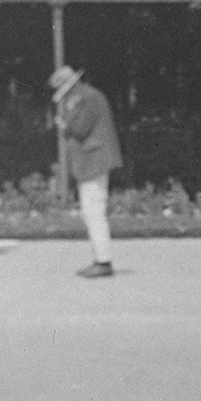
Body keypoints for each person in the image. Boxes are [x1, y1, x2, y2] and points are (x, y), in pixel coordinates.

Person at [52, 64, 123, 279]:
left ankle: (103, 261)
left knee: (94, 212)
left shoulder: (89, 97)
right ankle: (100, 259)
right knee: (91, 212)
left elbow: (80, 129)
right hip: (89, 160)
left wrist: (64, 124)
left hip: (95, 159)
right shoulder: (81, 97)